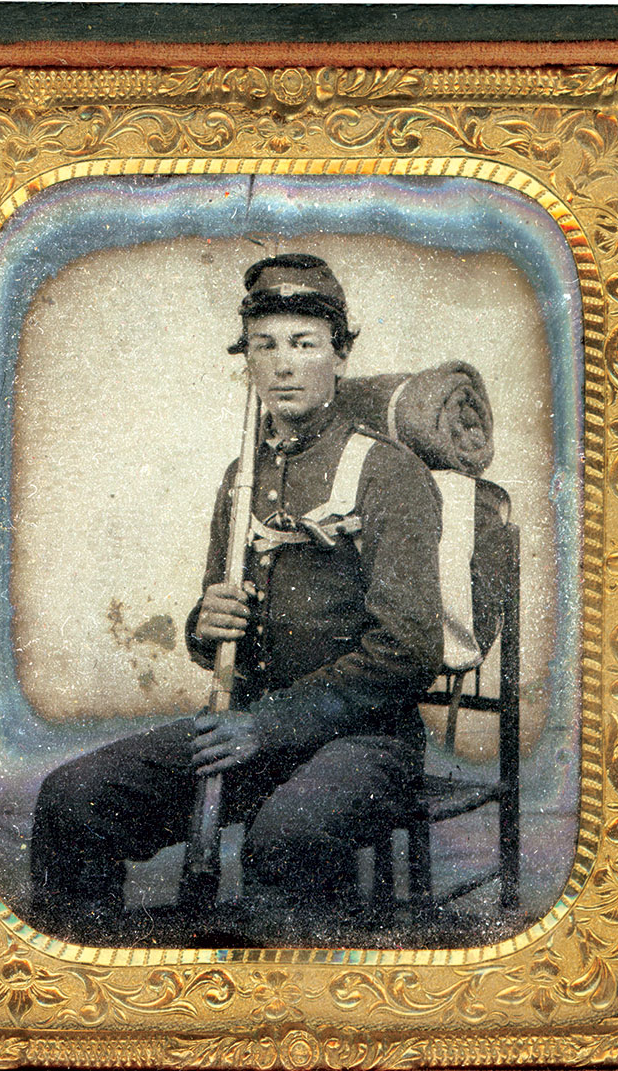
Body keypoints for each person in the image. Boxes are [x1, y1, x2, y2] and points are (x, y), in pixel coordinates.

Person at [29, 254, 444, 945]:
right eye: (265, 345)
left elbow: (407, 653)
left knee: (288, 837)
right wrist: (202, 625)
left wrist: (269, 725)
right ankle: (85, 1013)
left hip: (365, 741)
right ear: (247, 361)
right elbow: (217, 623)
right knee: (74, 800)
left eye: (305, 344)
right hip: (244, 726)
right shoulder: (242, 475)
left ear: (340, 357)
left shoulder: (387, 473)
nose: (284, 364)